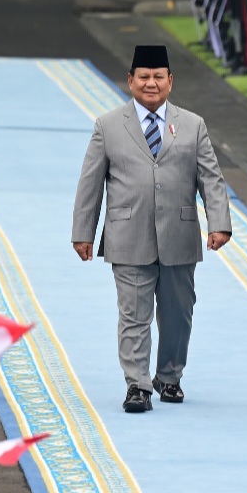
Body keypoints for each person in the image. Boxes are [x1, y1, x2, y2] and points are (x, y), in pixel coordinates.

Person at [71, 45, 232, 413]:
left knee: (178, 312)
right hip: (128, 235)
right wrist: (84, 230)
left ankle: (169, 377)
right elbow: (90, 183)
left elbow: (211, 178)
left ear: (170, 81)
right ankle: (138, 385)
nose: (151, 83)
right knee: (134, 313)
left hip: (179, 233)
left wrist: (219, 222)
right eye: (143, 76)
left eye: (158, 76)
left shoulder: (193, 125)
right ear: (130, 81)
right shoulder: (108, 125)